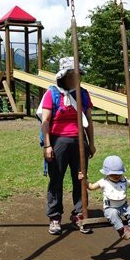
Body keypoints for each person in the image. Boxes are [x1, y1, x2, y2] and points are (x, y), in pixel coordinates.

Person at [39, 57, 96, 235]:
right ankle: (55, 217)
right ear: (64, 76)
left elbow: (89, 121)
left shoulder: (83, 94)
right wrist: (47, 145)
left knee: (80, 179)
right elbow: (45, 121)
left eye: (78, 74)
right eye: (73, 74)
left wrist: (91, 143)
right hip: (58, 142)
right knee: (56, 179)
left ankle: (80, 214)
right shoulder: (52, 93)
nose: (77, 77)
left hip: (80, 142)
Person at [79, 155, 130, 242]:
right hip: (110, 208)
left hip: (124, 206)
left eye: (118, 174)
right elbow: (91, 187)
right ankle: (122, 231)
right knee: (113, 214)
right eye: (113, 174)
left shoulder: (123, 180)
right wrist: (84, 179)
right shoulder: (104, 182)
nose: (116, 176)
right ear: (106, 173)